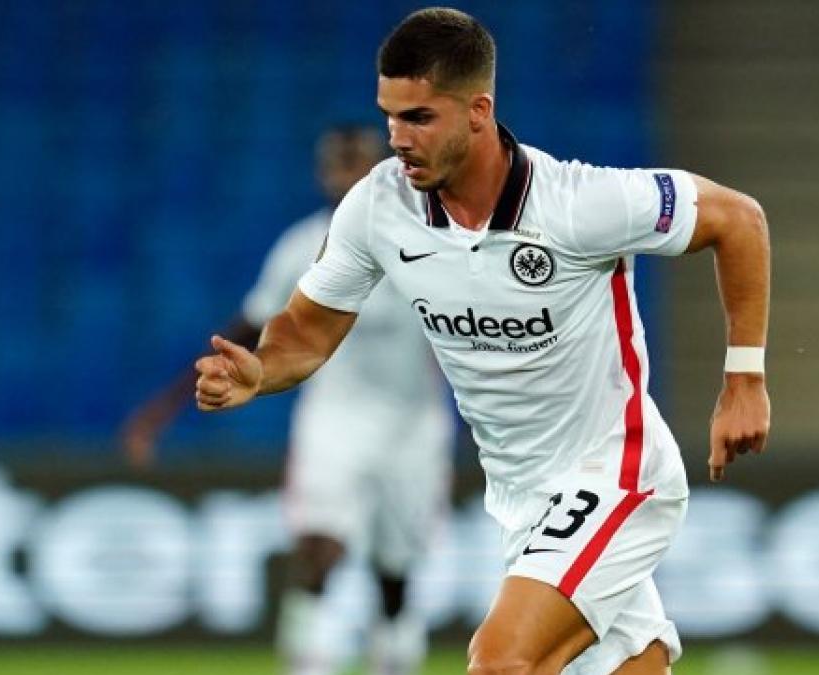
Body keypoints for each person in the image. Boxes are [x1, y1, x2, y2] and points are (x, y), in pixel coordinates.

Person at [194, 7, 771, 674]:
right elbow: (308, 328)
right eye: (390, 117)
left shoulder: (579, 203)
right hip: (521, 497)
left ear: (478, 111)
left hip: (615, 472)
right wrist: (261, 369)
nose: (398, 139)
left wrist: (744, 381)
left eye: (419, 118)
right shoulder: (380, 208)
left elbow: (738, 219)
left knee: (500, 661)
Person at [121, 125, 453, 675]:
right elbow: (250, 325)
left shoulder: (431, 239)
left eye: (358, 162)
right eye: (338, 164)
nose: (348, 175)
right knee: (319, 544)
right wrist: (164, 408)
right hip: (335, 418)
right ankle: (308, 659)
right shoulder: (301, 247)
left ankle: (393, 657)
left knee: (395, 566)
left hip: (414, 423)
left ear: (384, 168)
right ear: (323, 174)